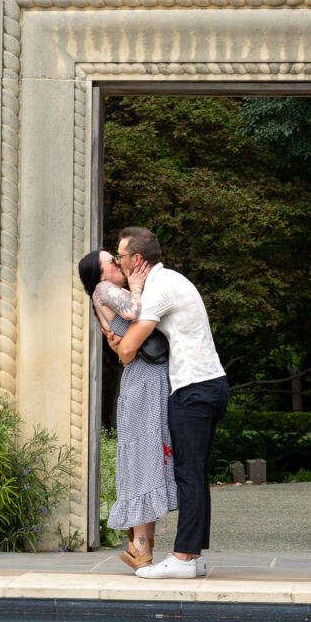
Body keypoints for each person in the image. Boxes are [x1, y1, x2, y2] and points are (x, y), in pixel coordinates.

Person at [111, 227, 229, 579]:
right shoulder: (172, 281)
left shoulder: (160, 288)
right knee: (197, 474)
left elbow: (130, 349)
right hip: (212, 385)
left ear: (137, 261)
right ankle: (192, 556)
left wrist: (118, 343)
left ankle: (182, 557)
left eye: (121, 256)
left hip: (192, 389)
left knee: (188, 475)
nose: (118, 261)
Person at [78, 249, 177, 569]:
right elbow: (134, 312)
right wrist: (135, 285)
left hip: (143, 376)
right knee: (146, 455)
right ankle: (140, 546)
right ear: (100, 272)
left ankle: (141, 547)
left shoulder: (107, 292)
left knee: (145, 457)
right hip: (144, 379)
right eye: (110, 261)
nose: (117, 264)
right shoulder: (103, 289)